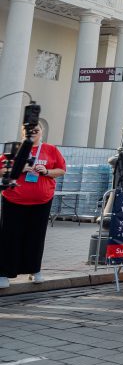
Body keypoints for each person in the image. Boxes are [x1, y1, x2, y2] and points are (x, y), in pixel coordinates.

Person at [0, 122, 67, 289]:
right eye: (28, 130)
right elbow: (1, 170)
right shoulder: (14, 149)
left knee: (36, 237)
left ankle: (34, 270)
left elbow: (61, 170)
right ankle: (4, 273)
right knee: (10, 237)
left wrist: (46, 171)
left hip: (41, 201)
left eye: (36, 130)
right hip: (13, 200)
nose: (32, 133)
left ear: (41, 132)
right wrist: (18, 168)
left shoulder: (51, 149)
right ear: (23, 132)